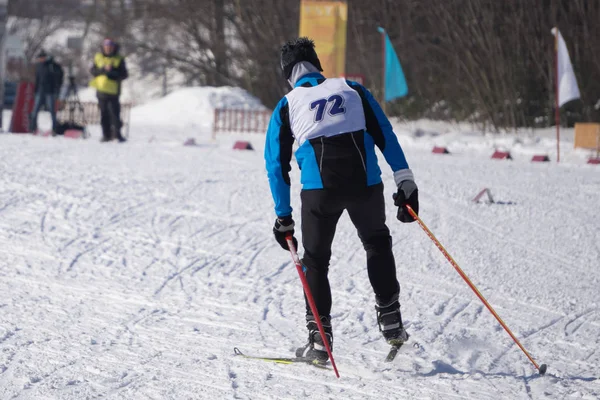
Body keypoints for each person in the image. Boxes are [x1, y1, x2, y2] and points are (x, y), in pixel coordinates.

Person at [264, 37, 419, 362]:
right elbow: (384, 133)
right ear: (317, 65)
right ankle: (391, 322)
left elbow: (277, 165)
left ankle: (320, 342)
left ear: (287, 74)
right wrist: (405, 180)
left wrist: (284, 216)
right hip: (365, 182)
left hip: (320, 190)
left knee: (316, 261)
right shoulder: (352, 88)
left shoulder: (287, 104)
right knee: (377, 243)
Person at [89, 38, 128, 142]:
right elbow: (92, 71)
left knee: (115, 114)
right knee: (104, 114)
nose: (108, 49)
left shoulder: (119, 58)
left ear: (113, 48)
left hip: (114, 91)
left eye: (110, 47)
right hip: (101, 90)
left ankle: (117, 134)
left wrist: (112, 72)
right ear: (103, 47)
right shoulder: (98, 57)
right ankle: (106, 135)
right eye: (106, 47)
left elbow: (124, 74)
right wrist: (102, 70)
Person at [29, 50, 63, 134]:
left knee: (52, 111)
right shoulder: (39, 66)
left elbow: (58, 76)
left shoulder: (52, 66)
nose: (41, 59)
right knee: (35, 111)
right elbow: (37, 79)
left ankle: (54, 129)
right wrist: (35, 91)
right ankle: (33, 128)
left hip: (50, 92)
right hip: (40, 91)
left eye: (42, 58)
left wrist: (56, 90)